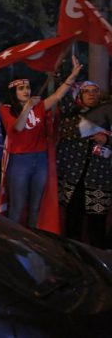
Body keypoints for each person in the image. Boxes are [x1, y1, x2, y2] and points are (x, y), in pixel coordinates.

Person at [0, 55, 82, 228]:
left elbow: (57, 96)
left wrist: (73, 75)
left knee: (36, 206)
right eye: (21, 88)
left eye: (28, 87)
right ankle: (14, 240)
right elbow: (18, 127)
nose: (26, 91)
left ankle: (34, 239)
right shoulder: (6, 109)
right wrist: (27, 107)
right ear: (14, 92)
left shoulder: (39, 106)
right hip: (20, 161)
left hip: (40, 159)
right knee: (18, 206)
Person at [57, 81, 111, 248]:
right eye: (87, 91)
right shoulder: (72, 115)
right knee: (73, 221)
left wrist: (107, 139)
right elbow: (65, 132)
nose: (91, 94)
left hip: (99, 178)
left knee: (97, 225)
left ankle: (97, 260)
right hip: (74, 177)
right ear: (80, 96)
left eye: (95, 91)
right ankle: (72, 257)